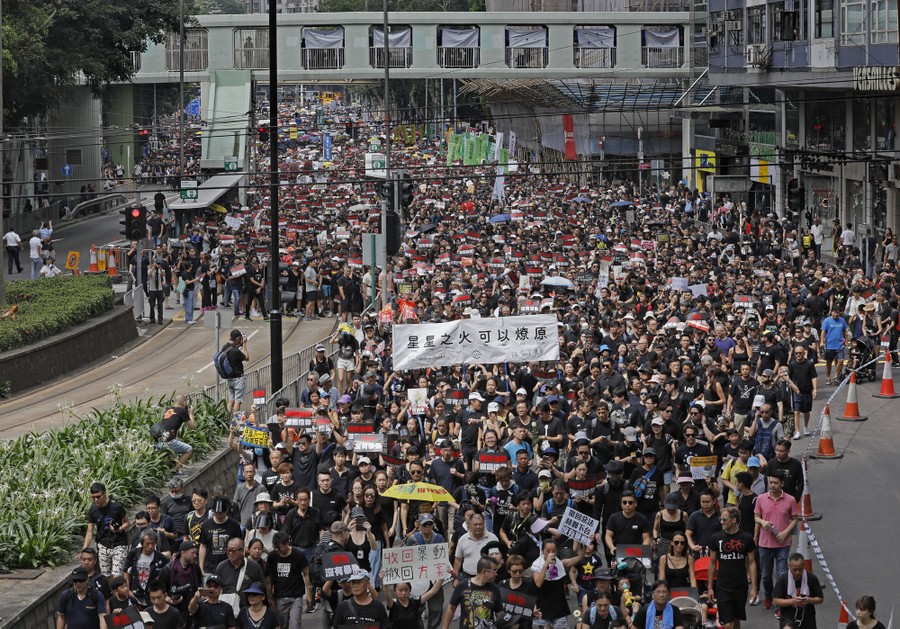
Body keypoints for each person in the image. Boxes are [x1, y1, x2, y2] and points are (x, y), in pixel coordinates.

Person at [707, 506, 758, 629]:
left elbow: (752, 562)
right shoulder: (716, 538)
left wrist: (754, 588)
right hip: (723, 585)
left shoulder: (746, 538)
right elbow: (712, 562)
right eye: (720, 520)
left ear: (734, 520)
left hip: (740, 585)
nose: (721, 522)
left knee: (736, 620)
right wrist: (710, 587)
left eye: (724, 520)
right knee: (728, 623)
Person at [754, 470, 798, 610]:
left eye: (775, 483)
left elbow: (795, 519)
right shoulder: (761, 499)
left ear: (782, 483)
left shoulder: (790, 500)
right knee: (766, 575)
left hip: (782, 544)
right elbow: (756, 517)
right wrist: (762, 522)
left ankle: (779, 602)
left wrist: (786, 532)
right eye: (770, 482)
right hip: (765, 543)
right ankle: (768, 595)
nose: (772, 485)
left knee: (781, 575)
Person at [531, 539, 584, 629]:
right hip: (543, 604)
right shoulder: (536, 565)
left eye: (553, 551)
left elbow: (579, 558)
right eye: (547, 551)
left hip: (558, 604)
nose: (551, 553)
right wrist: (546, 565)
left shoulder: (560, 563)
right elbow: (538, 583)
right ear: (542, 551)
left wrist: (586, 544)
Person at [265, 531, 313, 629]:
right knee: (282, 625)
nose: (277, 550)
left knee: (295, 624)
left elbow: (306, 574)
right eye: (275, 547)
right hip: (279, 596)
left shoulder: (298, 555)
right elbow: (269, 579)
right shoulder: (272, 556)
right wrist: (270, 597)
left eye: (279, 547)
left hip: (296, 596)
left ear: (287, 543)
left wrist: (309, 594)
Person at [83, 482, 130, 577]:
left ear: (104, 494)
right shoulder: (93, 509)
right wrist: (84, 549)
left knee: (116, 575)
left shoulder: (116, 507)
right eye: (93, 497)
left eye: (98, 496)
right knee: (106, 576)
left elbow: (127, 522)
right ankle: (110, 592)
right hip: (103, 544)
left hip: (119, 543)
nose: (96, 499)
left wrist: (119, 528)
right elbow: (89, 531)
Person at [443, 556, 503, 629]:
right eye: (494, 571)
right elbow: (451, 608)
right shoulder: (462, 586)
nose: (496, 574)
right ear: (484, 571)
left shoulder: (495, 589)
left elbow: (499, 613)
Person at [214, 537, 266, 616]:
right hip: (226, 612)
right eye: (228, 550)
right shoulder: (221, 567)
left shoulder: (254, 567)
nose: (230, 553)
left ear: (242, 551)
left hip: (248, 612)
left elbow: (262, 588)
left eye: (234, 550)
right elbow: (214, 589)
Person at [772, 553, 824, 628]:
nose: (797, 572)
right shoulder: (783, 579)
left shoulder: (811, 578)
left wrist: (809, 600)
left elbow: (820, 599)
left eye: (800, 569)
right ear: (789, 566)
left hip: (807, 616)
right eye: (795, 569)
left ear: (804, 566)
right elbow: (776, 601)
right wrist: (793, 601)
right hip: (788, 615)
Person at [157, 396, 196, 475]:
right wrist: (191, 414)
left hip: (158, 440)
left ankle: (167, 467)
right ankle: (175, 470)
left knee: (178, 441)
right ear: (184, 403)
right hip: (167, 442)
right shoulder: (182, 411)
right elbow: (192, 426)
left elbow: (168, 425)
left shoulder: (168, 410)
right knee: (189, 449)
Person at [222, 329, 250, 414]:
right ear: (238, 338)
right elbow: (247, 357)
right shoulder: (235, 351)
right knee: (238, 401)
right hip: (238, 380)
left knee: (231, 401)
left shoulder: (225, 348)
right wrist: (244, 344)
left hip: (229, 379)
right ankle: (235, 422)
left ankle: (227, 420)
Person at [820, 305, 849, 385]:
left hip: (840, 345)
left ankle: (836, 375)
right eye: (835, 313)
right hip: (829, 345)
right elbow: (823, 332)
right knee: (828, 362)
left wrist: (846, 341)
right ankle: (828, 377)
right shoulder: (827, 320)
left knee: (841, 360)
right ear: (831, 312)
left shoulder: (842, 320)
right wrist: (822, 342)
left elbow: (845, 331)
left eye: (838, 313)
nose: (836, 314)